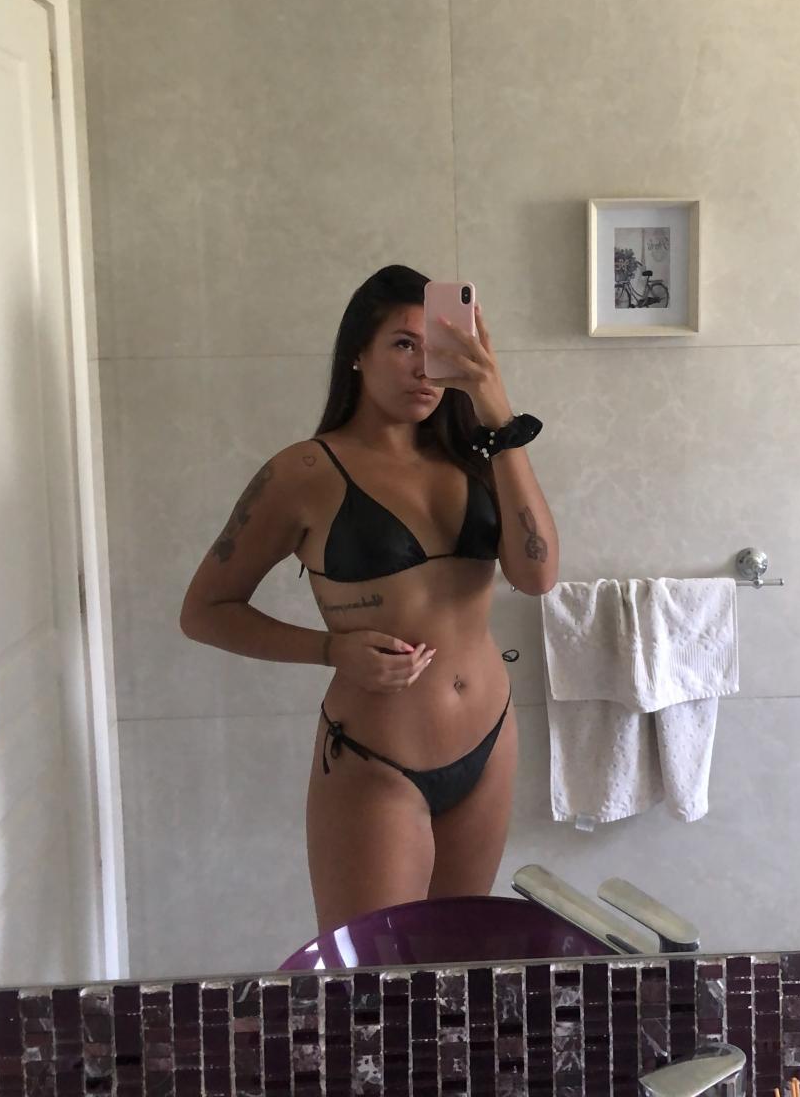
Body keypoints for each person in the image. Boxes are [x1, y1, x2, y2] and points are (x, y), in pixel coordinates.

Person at [179, 265, 559, 935]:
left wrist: (497, 411)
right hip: (378, 762)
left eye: (437, 347)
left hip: (489, 741)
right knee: (374, 984)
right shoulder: (303, 473)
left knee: (458, 967)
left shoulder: (477, 457)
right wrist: (332, 650)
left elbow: (537, 575)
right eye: (403, 344)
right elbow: (205, 611)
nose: (424, 368)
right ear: (358, 353)